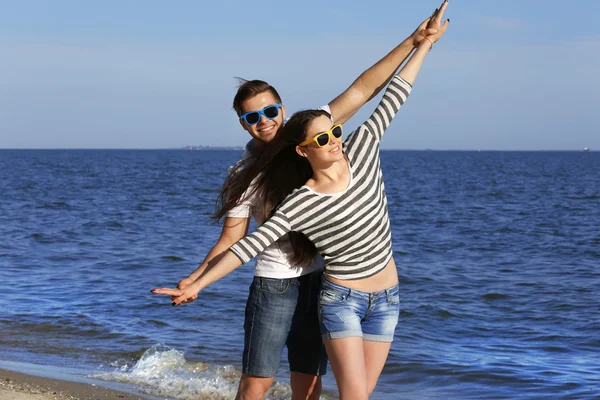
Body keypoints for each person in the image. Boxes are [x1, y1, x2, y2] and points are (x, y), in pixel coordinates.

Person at [153, 5, 448, 399]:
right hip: (277, 283)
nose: (264, 120)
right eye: (252, 117)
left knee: (309, 383)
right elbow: (238, 241)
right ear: (243, 123)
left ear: (283, 111)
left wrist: (416, 42)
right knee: (256, 381)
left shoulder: (317, 132)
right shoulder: (250, 174)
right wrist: (198, 279)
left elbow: (366, 89)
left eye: (271, 111)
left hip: (323, 278)